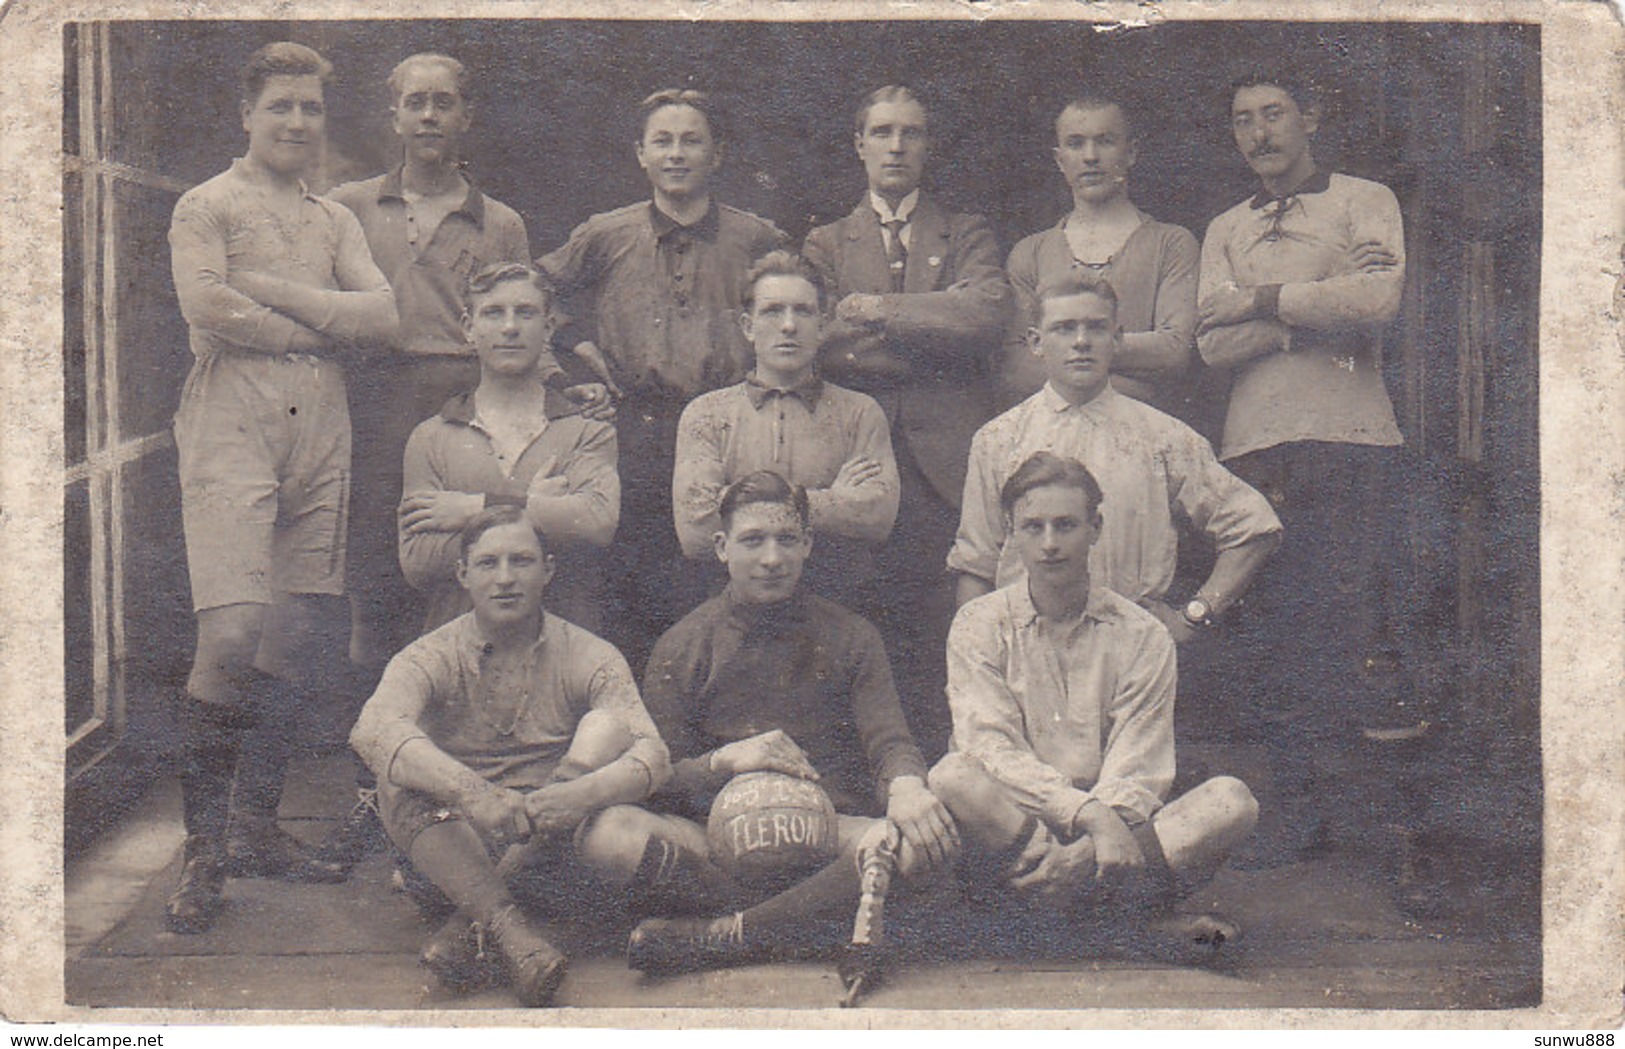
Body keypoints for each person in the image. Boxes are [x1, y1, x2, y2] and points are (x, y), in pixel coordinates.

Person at [164, 41, 398, 933]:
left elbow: (383, 315)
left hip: (320, 422)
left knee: (295, 636)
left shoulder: (334, 219)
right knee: (231, 635)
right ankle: (201, 855)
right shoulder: (206, 204)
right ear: (247, 114)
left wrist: (266, 290)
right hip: (233, 416)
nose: (298, 123)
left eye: (311, 110)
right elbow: (204, 305)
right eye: (281, 108)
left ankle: (256, 827)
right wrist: (316, 322)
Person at [350, 507, 711, 1006]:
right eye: (487, 564)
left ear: (548, 570)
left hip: (554, 849)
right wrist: (472, 793)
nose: (505, 579)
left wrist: (574, 794)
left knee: (606, 728)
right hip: (454, 846)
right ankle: (513, 932)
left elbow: (651, 754)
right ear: (462, 575)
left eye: (521, 561)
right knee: (398, 774)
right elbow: (372, 729)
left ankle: (483, 928)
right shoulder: (428, 655)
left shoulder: (591, 653)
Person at [1195, 68, 1416, 863]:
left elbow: (1376, 302)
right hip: (1255, 443)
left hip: (1350, 436)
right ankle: (1290, 813)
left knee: (1345, 622)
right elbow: (1209, 344)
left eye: (1274, 114)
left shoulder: (1364, 199)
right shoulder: (1224, 225)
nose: (1259, 132)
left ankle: (1357, 820)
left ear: (1310, 116)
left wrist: (1258, 301)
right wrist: (1309, 305)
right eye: (1243, 118)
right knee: (1268, 630)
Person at [625, 471, 958, 974]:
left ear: (807, 544)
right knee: (612, 829)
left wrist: (907, 786)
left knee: (920, 842)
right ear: (721, 547)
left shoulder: (852, 635)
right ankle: (805, 922)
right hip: (718, 838)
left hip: (829, 837)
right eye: (752, 540)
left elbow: (888, 740)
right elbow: (658, 777)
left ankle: (729, 935)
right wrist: (725, 761)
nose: (772, 558)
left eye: (786, 539)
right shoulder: (684, 643)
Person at [929, 452, 1258, 945]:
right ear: (1012, 533)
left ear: (1096, 527)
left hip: (1115, 841)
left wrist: (1086, 848)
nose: (1049, 544)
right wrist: (1087, 817)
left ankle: (1061, 919)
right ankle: (1122, 929)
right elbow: (990, 750)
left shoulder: (1143, 634)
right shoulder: (978, 623)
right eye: (1032, 527)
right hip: (1019, 833)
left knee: (1232, 801)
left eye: (1066, 525)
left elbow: (1138, 766)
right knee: (952, 775)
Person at [537, 89, 786, 667]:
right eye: (663, 141)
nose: (677, 154)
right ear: (641, 155)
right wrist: (573, 350)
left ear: (717, 154)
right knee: (632, 576)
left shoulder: (756, 239)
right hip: (636, 431)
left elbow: (793, 305)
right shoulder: (608, 233)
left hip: (727, 427)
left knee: (719, 572)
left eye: (691, 140)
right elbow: (530, 290)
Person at [802, 85, 1010, 756]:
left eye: (911, 133)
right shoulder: (826, 241)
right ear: (857, 144)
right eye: (882, 132)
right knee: (854, 615)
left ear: (928, 146)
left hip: (941, 465)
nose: (896, 146)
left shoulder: (966, 231)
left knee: (939, 621)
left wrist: (879, 312)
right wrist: (930, 321)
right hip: (858, 458)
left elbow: (981, 316)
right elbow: (821, 338)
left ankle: (949, 771)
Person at [327, 53, 535, 670]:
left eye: (443, 102)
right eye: (415, 103)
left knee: (456, 562)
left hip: (460, 402)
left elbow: (521, 321)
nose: (428, 116)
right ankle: (377, 741)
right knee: (373, 571)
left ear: (465, 116)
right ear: (394, 116)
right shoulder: (349, 207)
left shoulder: (500, 222)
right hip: (371, 401)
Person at [950, 274, 1280, 646]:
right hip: (1026, 651)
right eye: (1064, 328)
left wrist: (1195, 614)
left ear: (1117, 339)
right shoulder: (998, 439)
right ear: (1036, 343)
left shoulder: (1163, 436)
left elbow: (1254, 526)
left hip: (1131, 647)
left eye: (1096, 328)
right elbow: (976, 565)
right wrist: (976, 656)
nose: (1081, 342)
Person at [397, 262, 618, 634]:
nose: (510, 327)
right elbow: (419, 560)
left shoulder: (587, 430)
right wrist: (536, 509)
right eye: (494, 313)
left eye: (525, 313)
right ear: (469, 327)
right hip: (459, 652)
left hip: (562, 648)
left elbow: (596, 525)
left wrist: (477, 507)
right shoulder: (431, 436)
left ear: (548, 328)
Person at [671, 250, 898, 604]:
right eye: (773, 311)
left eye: (803, 311)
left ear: (823, 326)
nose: (789, 325)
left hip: (837, 604)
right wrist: (831, 501)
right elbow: (696, 530)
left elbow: (875, 519)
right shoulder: (706, 414)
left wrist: (736, 503)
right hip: (732, 609)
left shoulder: (860, 413)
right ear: (748, 326)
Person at [1000, 95, 1200, 424]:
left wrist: (1063, 352)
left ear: (1131, 152)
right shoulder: (1030, 253)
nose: (1090, 157)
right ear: (1060, 159)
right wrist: (1123, 377)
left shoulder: (1171, 243)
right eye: (1076, 144)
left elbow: (1174, 350)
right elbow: (1018, 365)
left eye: (1105, 142)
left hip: (1143, 429)